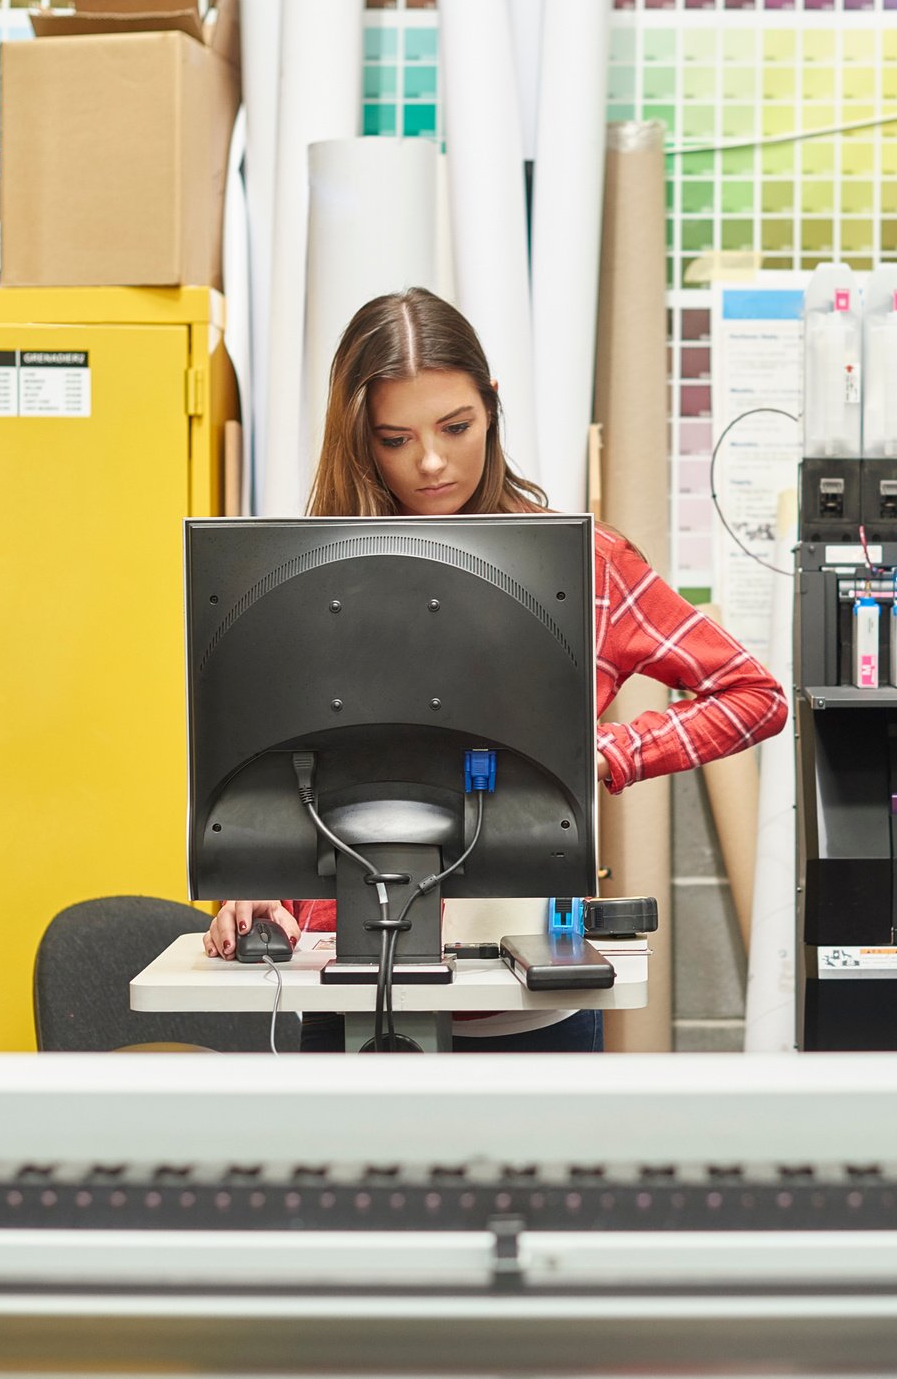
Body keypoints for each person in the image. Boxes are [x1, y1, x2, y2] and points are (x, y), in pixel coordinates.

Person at [204, 287, 786, 1051]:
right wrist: (252, 894)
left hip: (527, 1005)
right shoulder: (301, 580)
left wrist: (604, 755)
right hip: (342, 993)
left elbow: (755, 694)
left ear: (493, 408)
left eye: (456, 426)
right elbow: (278, 768)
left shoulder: (583, 565)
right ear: (358, 440)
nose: (433, 461)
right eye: (395, 438)